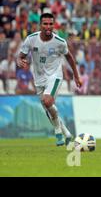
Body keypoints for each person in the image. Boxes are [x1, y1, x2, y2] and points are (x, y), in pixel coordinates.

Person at [16, 13, 82, 146]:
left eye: (50, 24)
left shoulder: (60, 42)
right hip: (38, 78)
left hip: (54, 76)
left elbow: (69, 58)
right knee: (48, 108)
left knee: (48, 101)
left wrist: (76, 75)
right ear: (40, 25)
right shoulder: (31, 39)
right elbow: (21, 55)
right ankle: (66, 133)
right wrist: (19, 61)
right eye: (45, 24)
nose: (48, 26)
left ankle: (57, 130)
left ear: (54, 25)